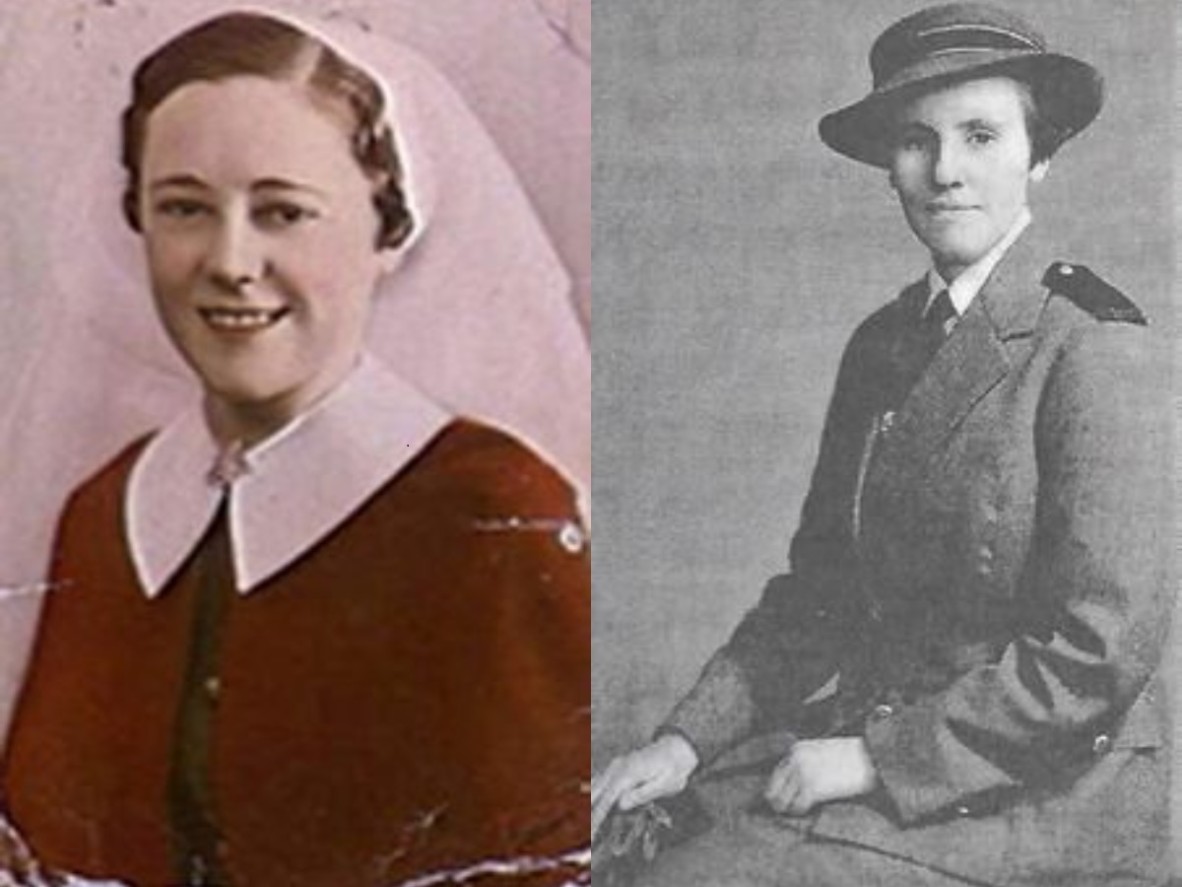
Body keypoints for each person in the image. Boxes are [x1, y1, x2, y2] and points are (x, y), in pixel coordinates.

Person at [0, 9, 588, 886]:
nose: (231, 260)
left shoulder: (490, 510)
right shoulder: (107, 509)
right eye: (185, 208)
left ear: (387, 232)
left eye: (283, 211)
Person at [591, 4, 1171, 886]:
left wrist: (873, 757)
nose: (946, 171)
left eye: (981, 135)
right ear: (887, 168)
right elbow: (819, 593)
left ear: (1039, 156)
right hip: (875, 749)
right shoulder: (884, 346)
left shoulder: (1093, 347)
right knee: (611, 839)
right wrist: (683, 739)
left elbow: (1096, 654)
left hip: (1041, 797)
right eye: (916, 140)